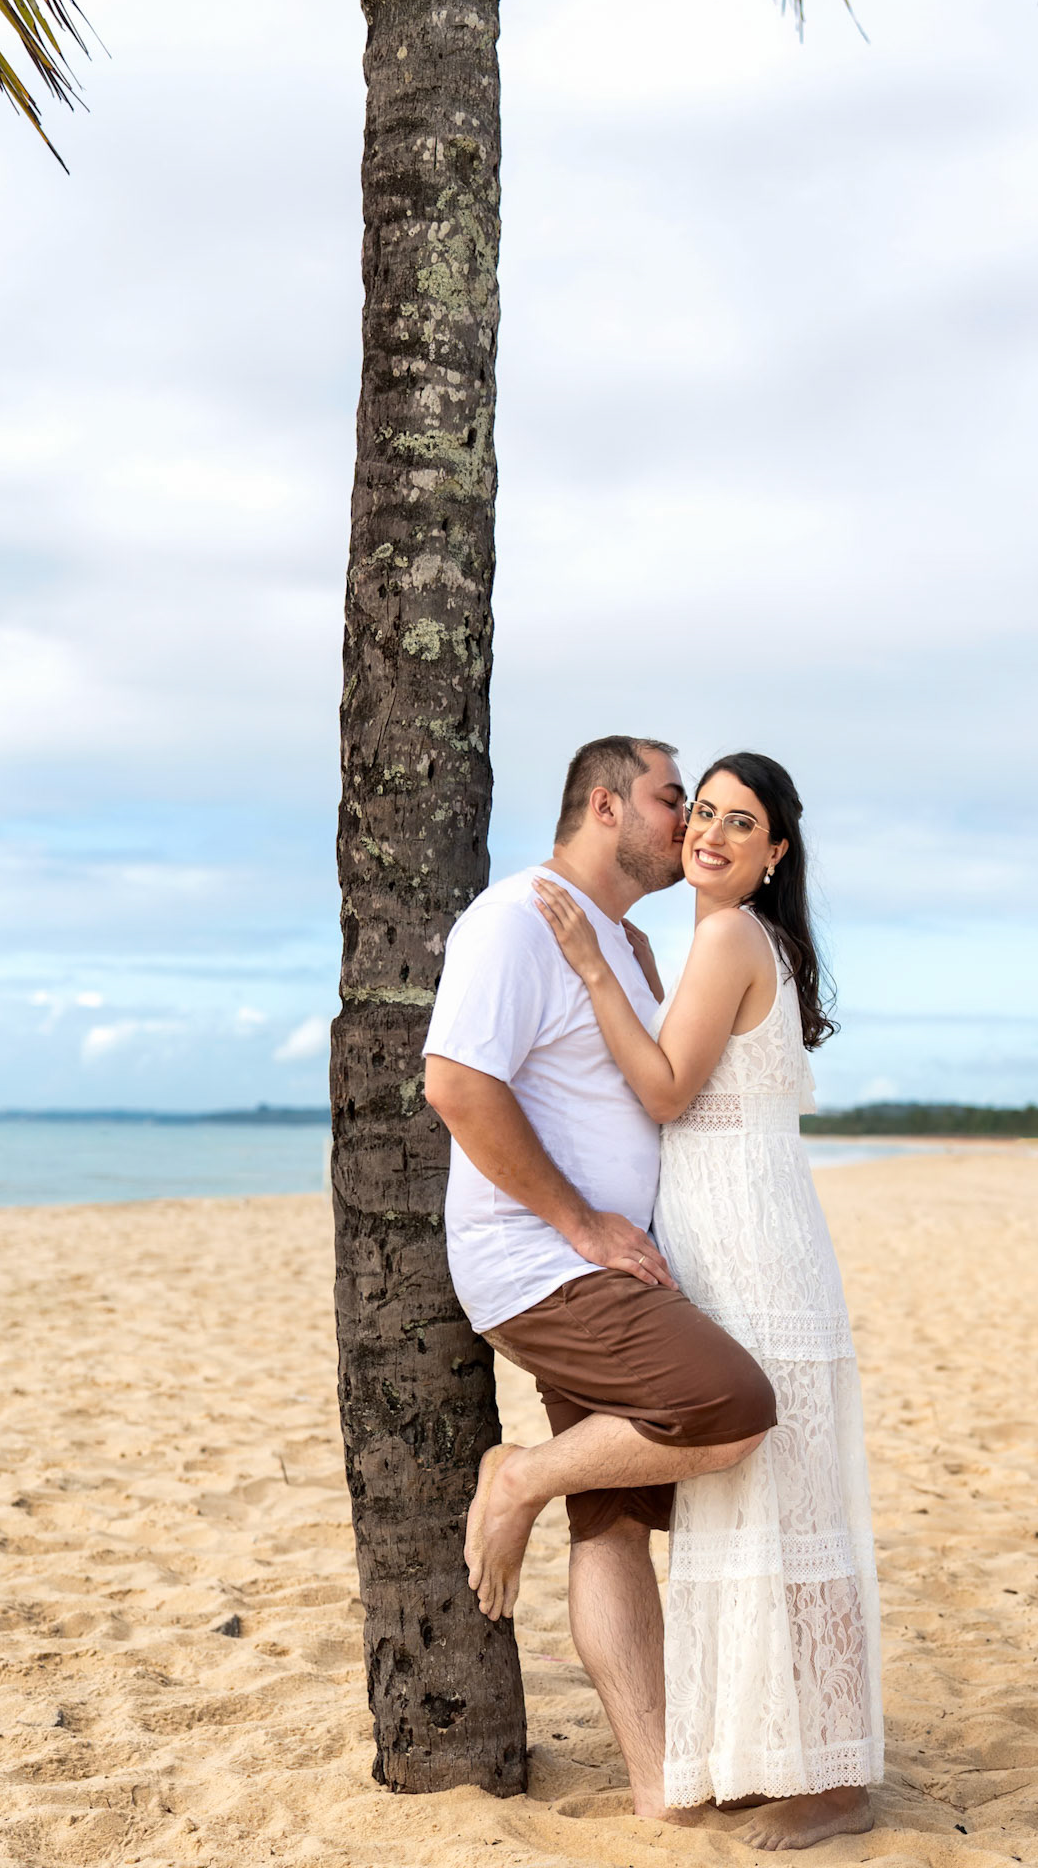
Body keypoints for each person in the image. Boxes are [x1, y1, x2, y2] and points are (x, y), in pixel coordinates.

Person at [422, 734, 778, 1825]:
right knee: (731, 1407)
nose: (691, 821)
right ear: (607, 805)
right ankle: (519, 1479)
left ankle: (658, 1787)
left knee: (614, 1520)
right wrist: (578, 1221)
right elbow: (456, 1086)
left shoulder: (623, 942)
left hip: (605, 1265)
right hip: (544, 1264)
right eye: (676, 798)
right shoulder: (514, 919)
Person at [532, 751, 883, 1851]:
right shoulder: (734, 940)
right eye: (705, 812)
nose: (713, 834)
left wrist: (590, 967)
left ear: (775, 852)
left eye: (742, 823)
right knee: (769, 1506)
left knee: (781, 1504)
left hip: (750, 1243)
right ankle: (789, 1756)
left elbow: (666, 1088)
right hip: (745, 1230)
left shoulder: (729, 937)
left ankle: (836, 1783)